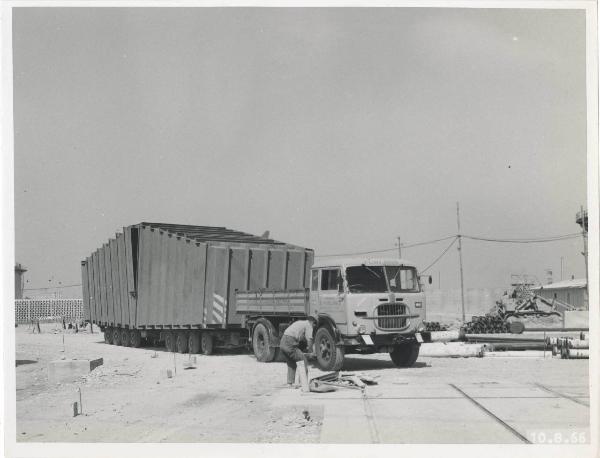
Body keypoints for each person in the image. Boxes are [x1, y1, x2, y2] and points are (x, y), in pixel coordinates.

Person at [279, 317, 317, 388]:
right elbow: (309, 340)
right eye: (314, 325)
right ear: (313, 323)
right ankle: (303, 383)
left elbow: (300, 337)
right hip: (289, 342)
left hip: (283, 342)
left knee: (291, 363)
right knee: (303, 360)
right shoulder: (308, 325)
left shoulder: (300, 322)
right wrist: (311, 352)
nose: (314, 327)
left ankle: (289, 383)